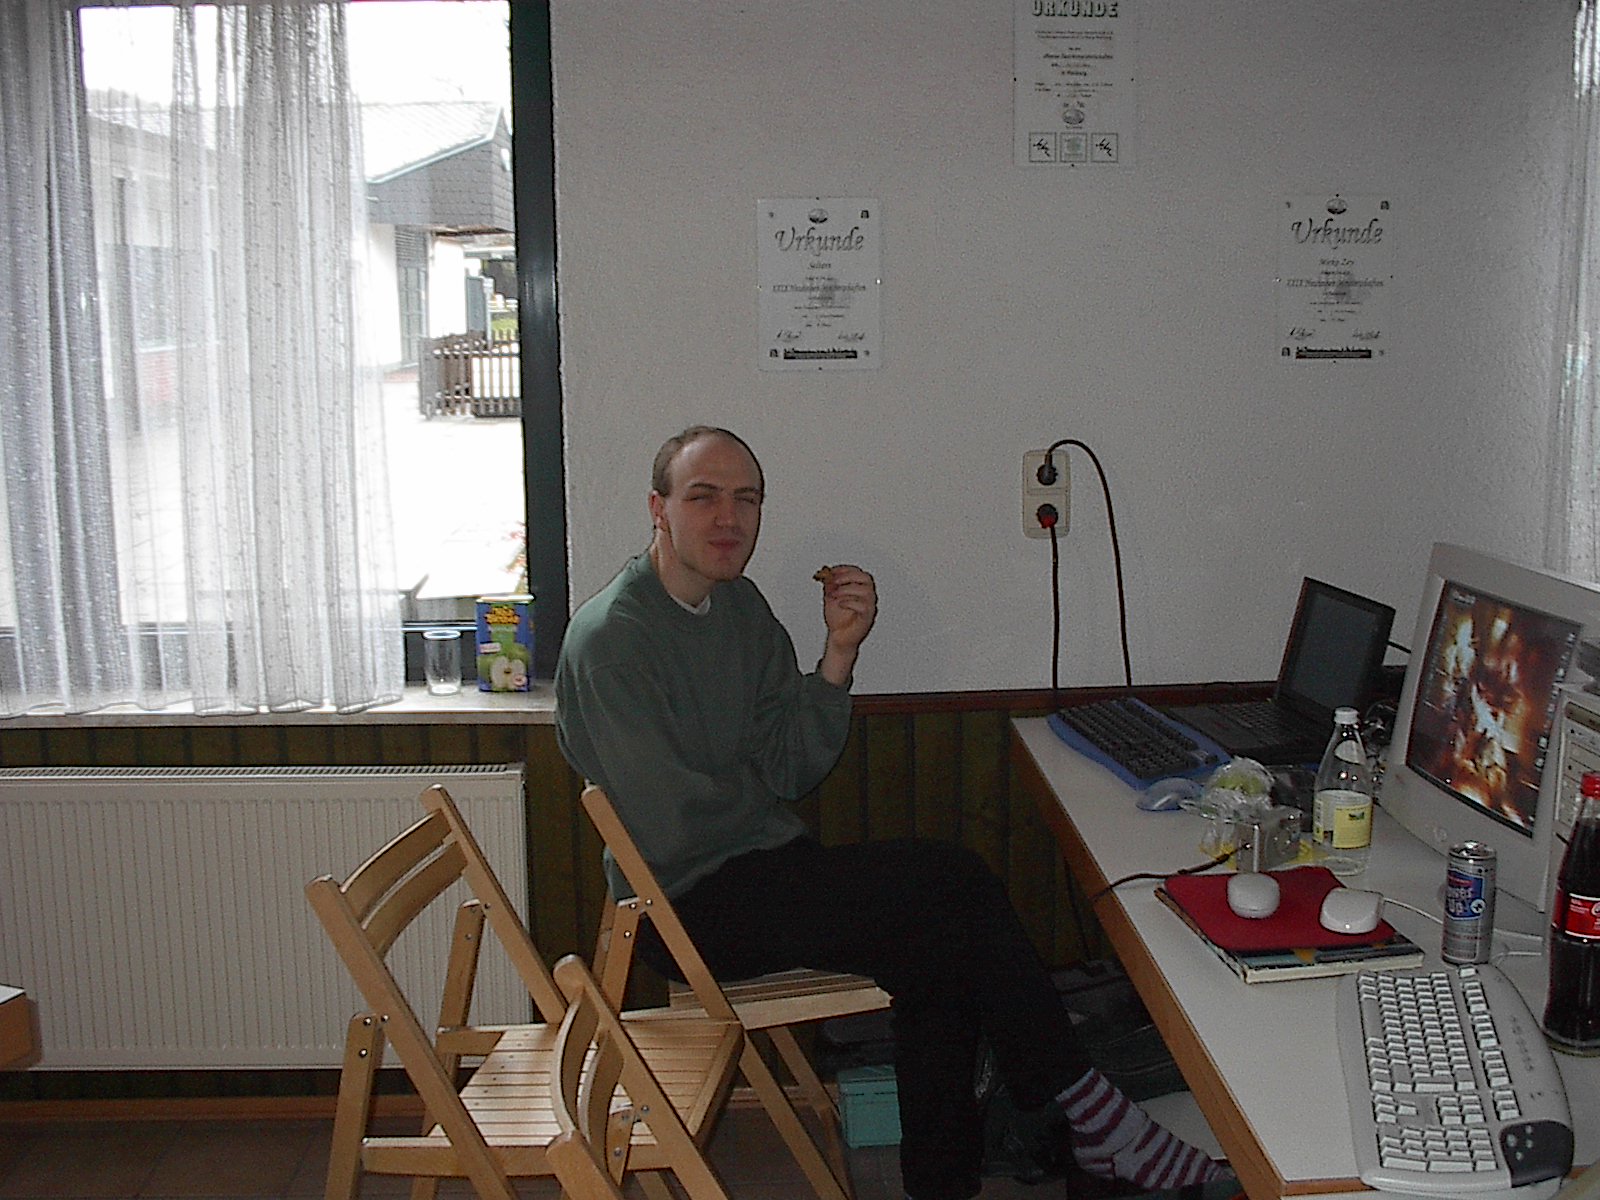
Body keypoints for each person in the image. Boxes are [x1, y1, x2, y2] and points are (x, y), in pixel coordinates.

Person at [554, 426, 1228, 1200]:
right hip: (682, 903)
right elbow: (670, 829)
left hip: (763, 867)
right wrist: (752, 789)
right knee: (953, 880)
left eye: (747, 499)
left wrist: (839, 653)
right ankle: (1093, 1114)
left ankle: (950, 1182)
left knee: (936, 951)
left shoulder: (738, 607)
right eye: (703, 497)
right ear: (659, 509)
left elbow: (791, 767)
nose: (728, 518)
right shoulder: (614, 639)